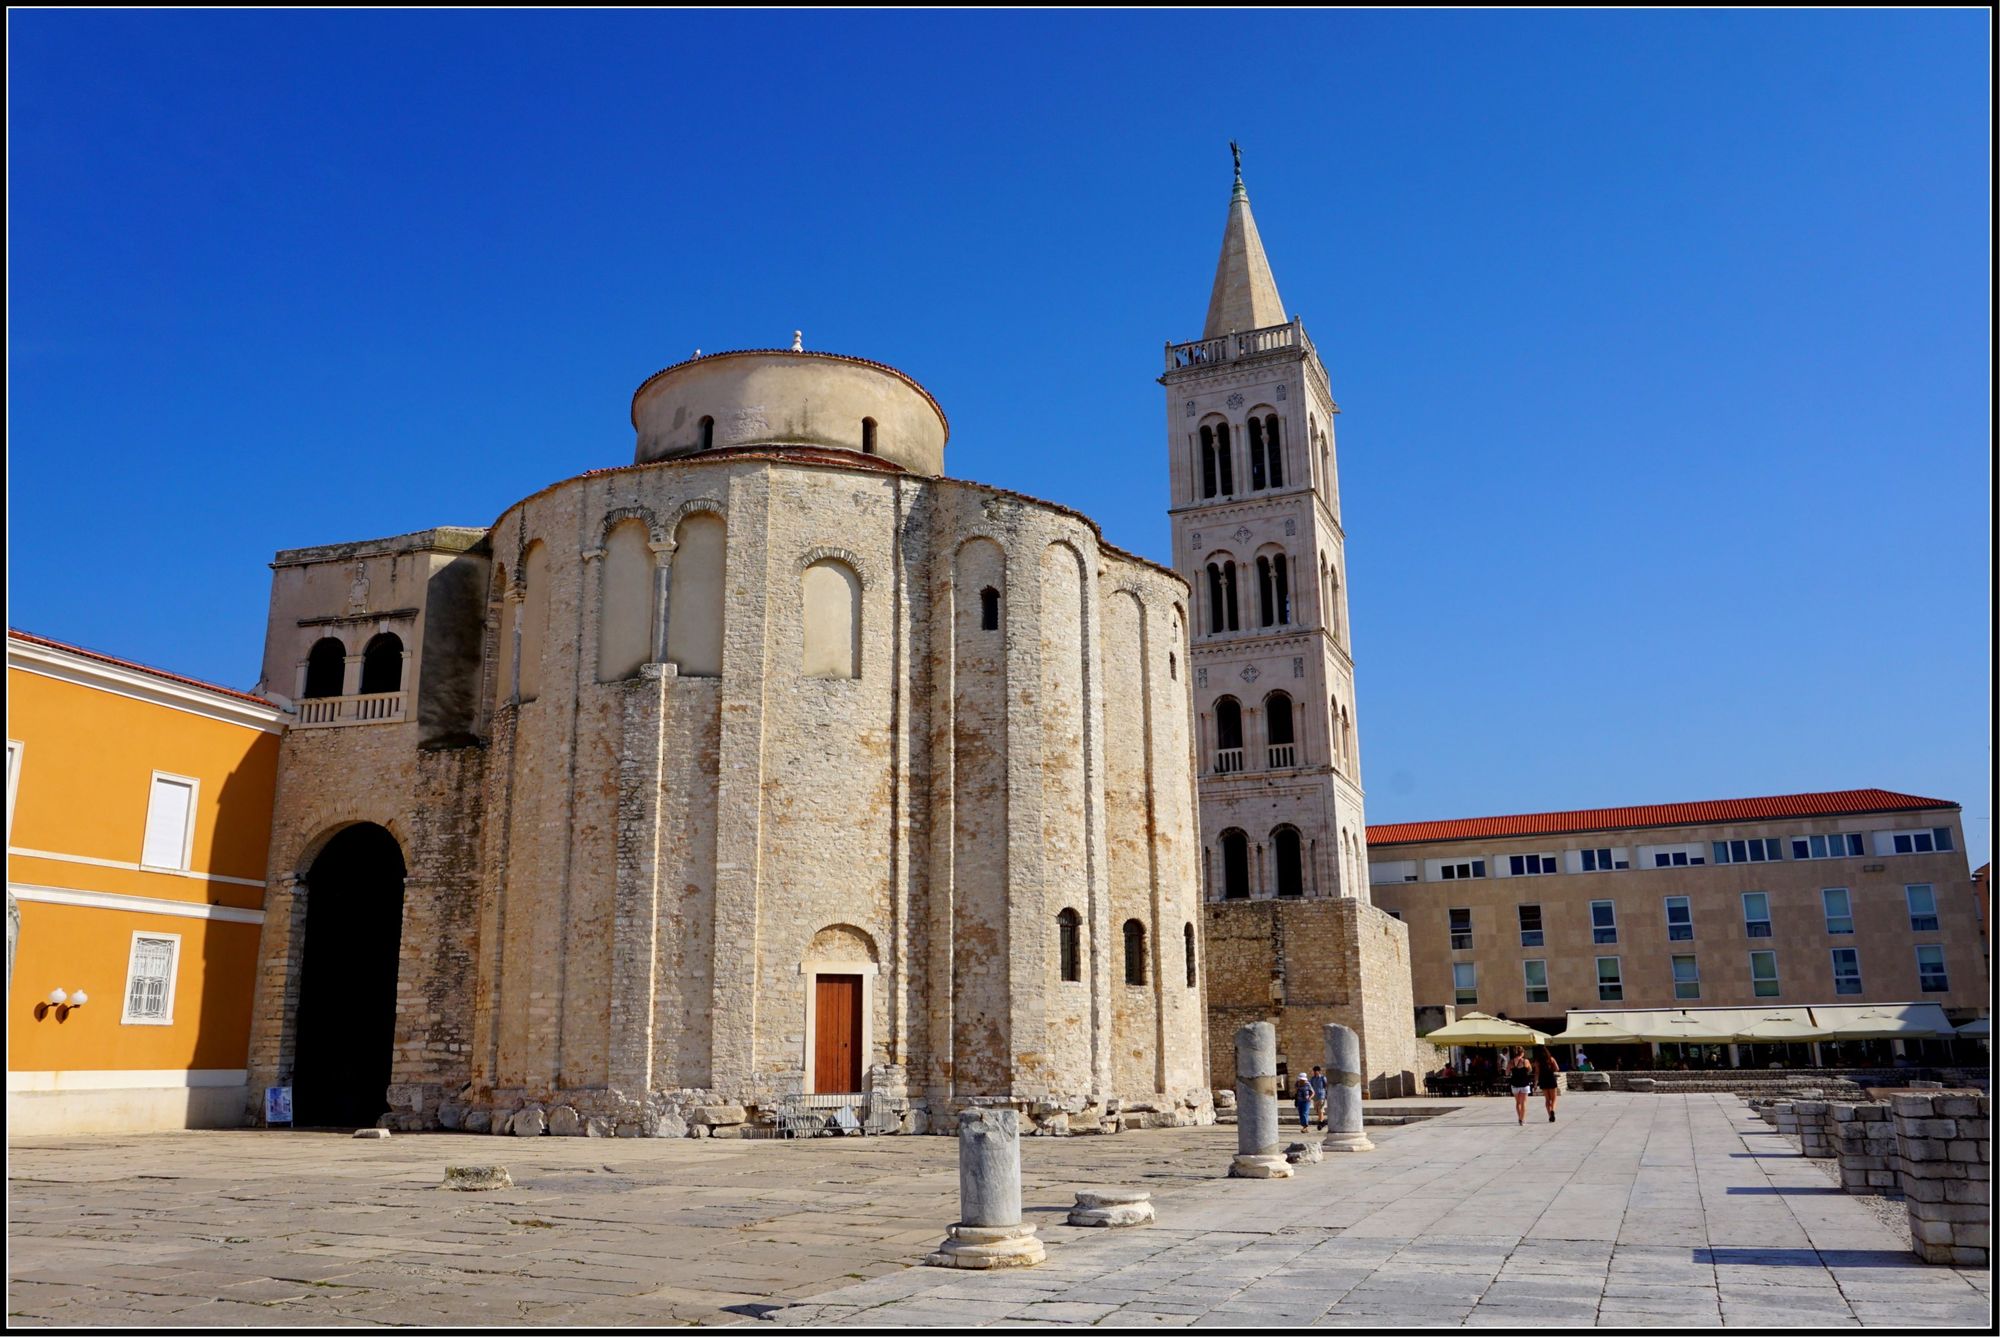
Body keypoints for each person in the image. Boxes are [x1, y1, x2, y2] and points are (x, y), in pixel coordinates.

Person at [1508, 1046, 1533, 1125]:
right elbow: (1530, 1070)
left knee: (1518, 1102)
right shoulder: (1526, 1061)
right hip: (1524, 1083)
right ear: (1522, 1052)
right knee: (1523, 1103)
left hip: (1515, 1084)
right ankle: (1522, 1119)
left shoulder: (1511, 1061)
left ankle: (1519, 1118)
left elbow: (1506, 1072)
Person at [1537, 1046, 1562, 1122]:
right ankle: (1552, 1110)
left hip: (1543, 1079)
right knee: (1554, 1098)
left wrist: (1536, 1083)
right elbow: (1557, 1068)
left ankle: (1549, 1115)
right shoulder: (1551, 1059)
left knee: (1547, 1099)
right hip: (1551, 1078)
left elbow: (1537, 1072)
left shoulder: (1538, 1061)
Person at [1310, 1065, 1329, 1131]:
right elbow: (1310, 1086)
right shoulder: (1312, 1079)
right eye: (1314, 1071)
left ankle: (1320, 1123)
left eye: (1316, 1071)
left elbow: (1326, 1085)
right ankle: (1323, 1122)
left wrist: (1326, 1094)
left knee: (1320, 1110)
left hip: (1321, 1096)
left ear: (1319, 1071)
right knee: (1317, 1110)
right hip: (1315, 1097)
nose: (1315, 1072)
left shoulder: (1323, 1078)